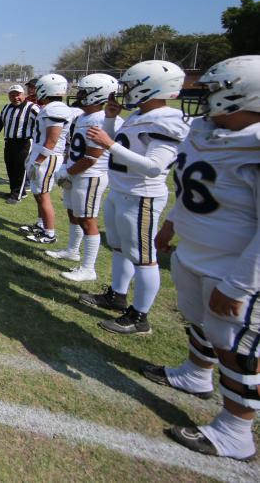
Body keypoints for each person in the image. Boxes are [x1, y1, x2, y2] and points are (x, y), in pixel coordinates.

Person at [144, 55, 260, 461]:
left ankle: (236, 430)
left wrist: (240, 285)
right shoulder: (207, 133)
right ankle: (195, 374)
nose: (205, 99)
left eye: (214, 90)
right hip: (196, 253)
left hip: (235, 267)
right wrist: (172, 223)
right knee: (200, 322)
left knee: (238, 347)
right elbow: (193, 190)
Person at [80, 60, 189, 335]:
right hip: (122, 191)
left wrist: (110, 143)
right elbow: (119, 145)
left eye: (131, 86)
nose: (126, 91)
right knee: (119, 248)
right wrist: (109, 118)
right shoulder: (139, 115)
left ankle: (140, 317)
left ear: (150, 87)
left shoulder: (167, 119)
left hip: (141, 195)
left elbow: (154, 166)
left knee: (143, 257)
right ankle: (117, 295)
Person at [46, 73, 121, 281]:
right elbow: (74, 146)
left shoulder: (102, 119)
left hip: (89, 176)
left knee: (88, 220)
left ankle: (89, 268)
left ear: (97, 94)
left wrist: (67, 171)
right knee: (73, 213)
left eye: (83, 91)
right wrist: (65, 165)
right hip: (75, 172)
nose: (78, 95)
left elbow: (92, 157)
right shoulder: (82, 116)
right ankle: (72, 250)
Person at [19, 74, 77, 244]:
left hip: (48, 157)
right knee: (38, 193)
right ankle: (40, 224)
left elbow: (52, 139)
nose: (36, 91)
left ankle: (49, 233)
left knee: (43, 195)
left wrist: (38, 160)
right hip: (42, 155)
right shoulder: (51, 107)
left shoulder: (56, 109)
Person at [0, 84, 40, 203]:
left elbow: (42, 123)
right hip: (9, 142)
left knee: (20, 168)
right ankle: (16, 191)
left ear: (23, 95)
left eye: (18, 95)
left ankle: (17, 195)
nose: (15, 97)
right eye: (12, 95)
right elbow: (0, 123)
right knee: (10, 167)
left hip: (24, 142)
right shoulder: (6, 108)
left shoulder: (32, 108)